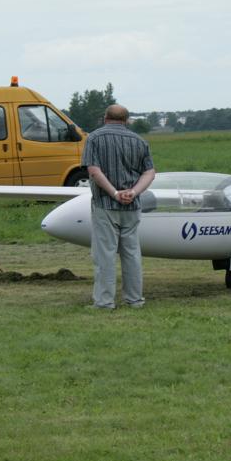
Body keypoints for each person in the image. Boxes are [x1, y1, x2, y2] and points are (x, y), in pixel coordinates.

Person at [81, 104, 155, 309]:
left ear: (105, 118)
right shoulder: (139, 141)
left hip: (105, 205)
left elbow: (93, 171)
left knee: (105, 255)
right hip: (132, 206)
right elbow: (149, 172)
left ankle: (104, 302)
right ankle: (135, 299)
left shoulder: (94, 138)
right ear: (126, 120)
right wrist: (134, 192)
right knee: (132, 254)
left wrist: (114, 193)